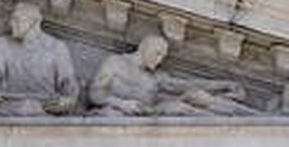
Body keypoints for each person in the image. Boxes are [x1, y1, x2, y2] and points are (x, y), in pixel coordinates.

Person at [89, 34, 258, 116]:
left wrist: (225, 84)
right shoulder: (116, 62)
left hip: (151, 113)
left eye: (163, 56)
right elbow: (95, 93)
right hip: (118, 114)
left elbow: (186, 85)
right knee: (179, 108)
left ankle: (248, 119)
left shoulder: (155, 77)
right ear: (144, 47)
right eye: (158, 53)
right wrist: (122, 104)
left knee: (197, 95)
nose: (160, 60)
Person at [0, 3, 79, 116]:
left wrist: (68, 100)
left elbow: (69, 83)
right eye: (12, 19)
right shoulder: (3, 44)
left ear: (34, 22)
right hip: (10, 105)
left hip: (44, 106)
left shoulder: (56, 47)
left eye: (17, 19)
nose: (11, 23)